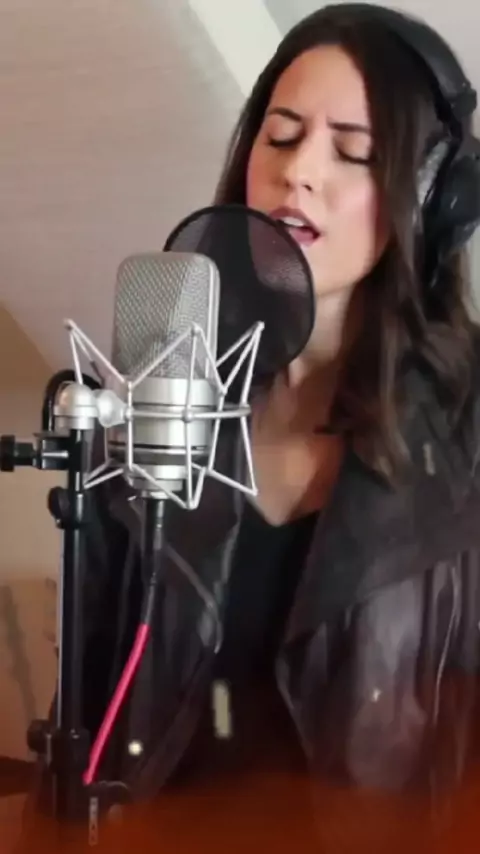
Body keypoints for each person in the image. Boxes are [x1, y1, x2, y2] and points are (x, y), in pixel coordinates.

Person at [78, 0, 480, 825]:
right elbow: (94, 693)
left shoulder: (471, 424)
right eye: (282, 136)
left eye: (354, 152)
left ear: (432, 200)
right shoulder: (159, 390)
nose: (299, 172)